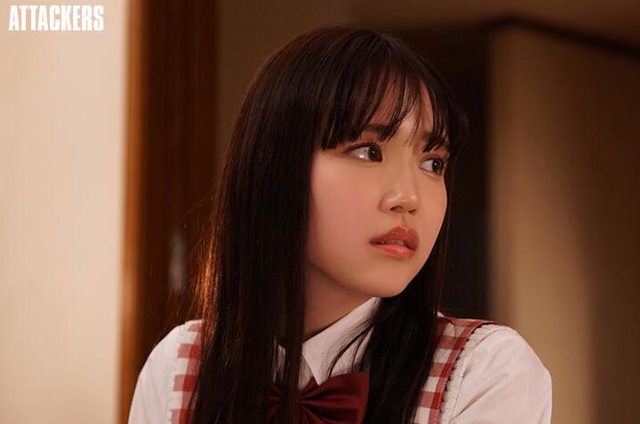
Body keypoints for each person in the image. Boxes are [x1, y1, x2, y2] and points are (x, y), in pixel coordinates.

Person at [128, 25, 552, 423]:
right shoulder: (178, 367)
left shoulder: (484, 372)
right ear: (275, 167)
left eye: (432, 163)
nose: (408, 197)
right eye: (368, 152)